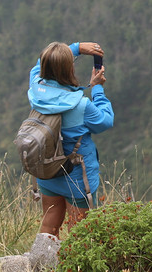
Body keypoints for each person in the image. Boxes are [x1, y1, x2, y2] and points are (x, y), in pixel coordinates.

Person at [27, 40, 114, 237]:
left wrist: (76, 47)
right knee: (79, 234)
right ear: (69, 70)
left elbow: (37, 65)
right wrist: (97, 88)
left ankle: (44, 263)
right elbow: (105, 121)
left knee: (49, 226)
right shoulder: (81, 105)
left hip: (48, 172)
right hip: (77, 178)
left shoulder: (35, 90)